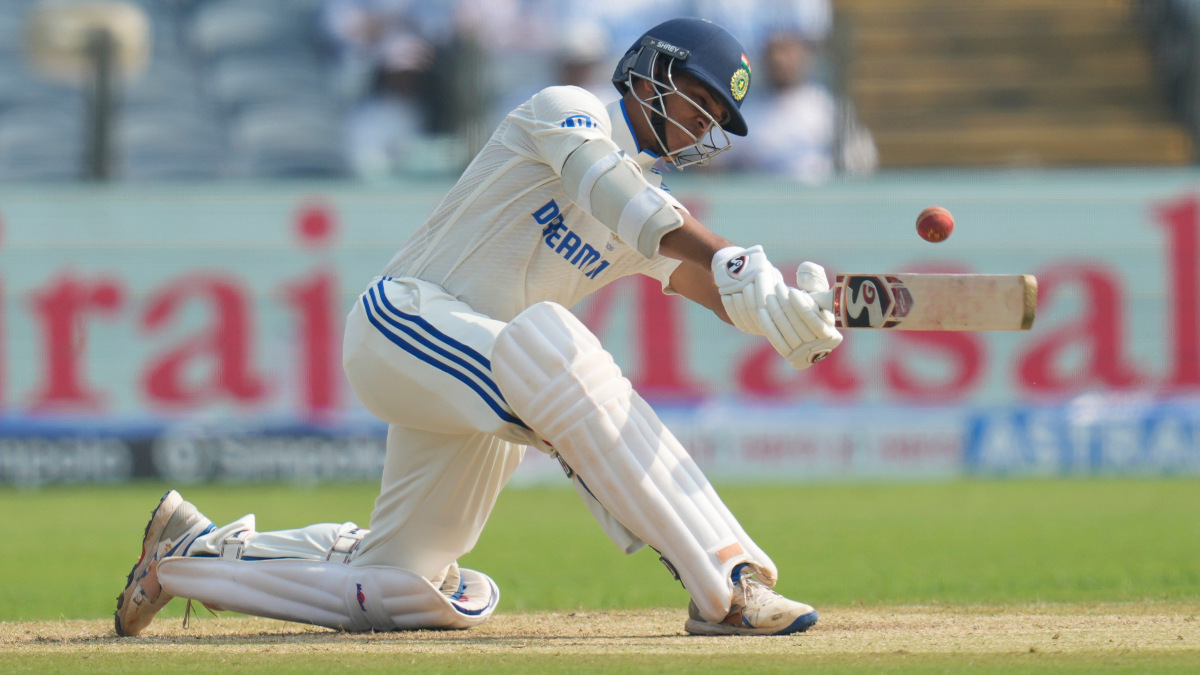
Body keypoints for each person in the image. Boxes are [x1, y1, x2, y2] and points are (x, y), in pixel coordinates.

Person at [114, 17, 843, 638]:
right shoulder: (570, 109)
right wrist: (730, 258)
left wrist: (779, 309)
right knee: (550, 340)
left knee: (400, 587)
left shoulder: (651, 208)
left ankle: (190, 553)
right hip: (403, 326)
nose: (704, 126)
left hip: (486, 382)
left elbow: (708, 283)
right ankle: (728, 580)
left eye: (718, 119)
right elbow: (609, 191)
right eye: (700, 101)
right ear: (651, 71)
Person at [728, 28, 878, 182]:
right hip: (758, 197)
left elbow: (861, 158)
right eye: (774, 52)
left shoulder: (826, 106)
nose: (779, 60)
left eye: (787, 52)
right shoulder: (745, 111)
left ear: (804, 56)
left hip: (816, 197)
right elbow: (716, 161)